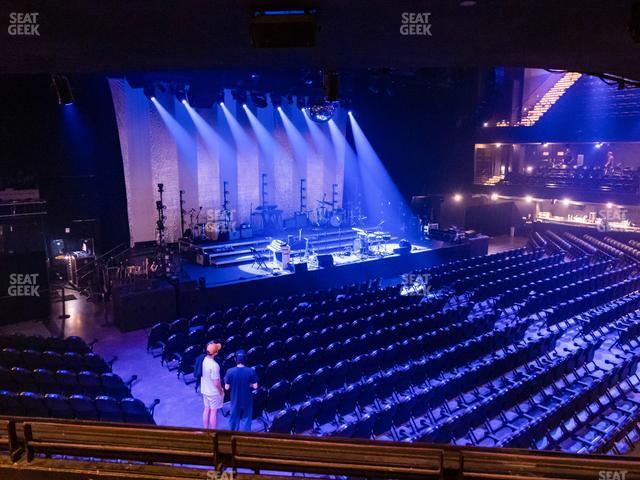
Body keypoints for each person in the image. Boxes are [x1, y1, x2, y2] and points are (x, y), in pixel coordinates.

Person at [224, 350, 258, 431]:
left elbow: (226, 387)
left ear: (236, 360)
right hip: (247, 401)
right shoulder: (251, 371)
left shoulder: (229, 371)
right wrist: (248, 384)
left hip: (235, 400)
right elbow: (255, 386)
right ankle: (246, 438)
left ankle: (233, 436)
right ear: (245, 360)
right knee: (247, 420)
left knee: (234, 420)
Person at [199, 341, 223, 430]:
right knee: (213, 412)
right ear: (216, 353)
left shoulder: (203, 359)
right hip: (213, 392)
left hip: (204, 389)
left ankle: (205, 429)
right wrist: (220, 391)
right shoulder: (215, 365)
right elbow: (216, 382)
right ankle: (213, 431)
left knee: (206, 409)